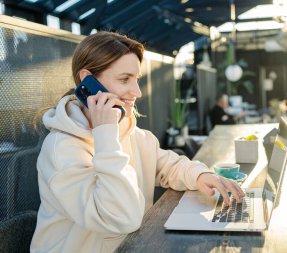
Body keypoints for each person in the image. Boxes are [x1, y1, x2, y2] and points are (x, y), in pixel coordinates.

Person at [30, 31, 244, 253]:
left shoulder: (129, 131)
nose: (137, 92)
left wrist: (201, 175)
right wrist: (106, 134)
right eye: (124, 79)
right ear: (88, 81)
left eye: (137, 79)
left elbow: (167, 165)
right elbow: (121, 217)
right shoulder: (62, 149)